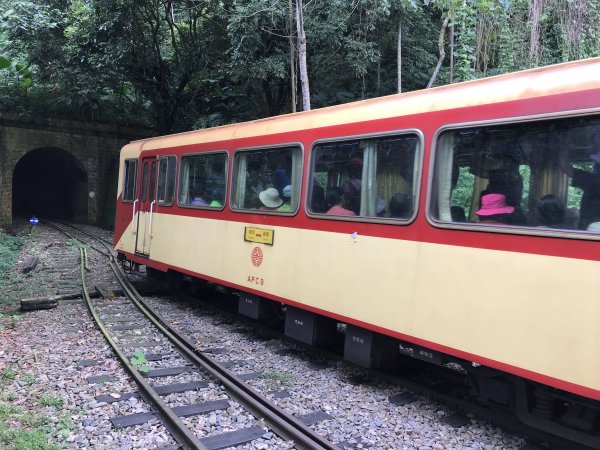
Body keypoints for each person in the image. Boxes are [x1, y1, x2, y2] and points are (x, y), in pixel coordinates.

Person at [568, 151, 600, 230]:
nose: (594, 165)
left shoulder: (593, 180)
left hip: (590, 229)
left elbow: (565, 169)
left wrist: (562, 149)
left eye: (596, 162)